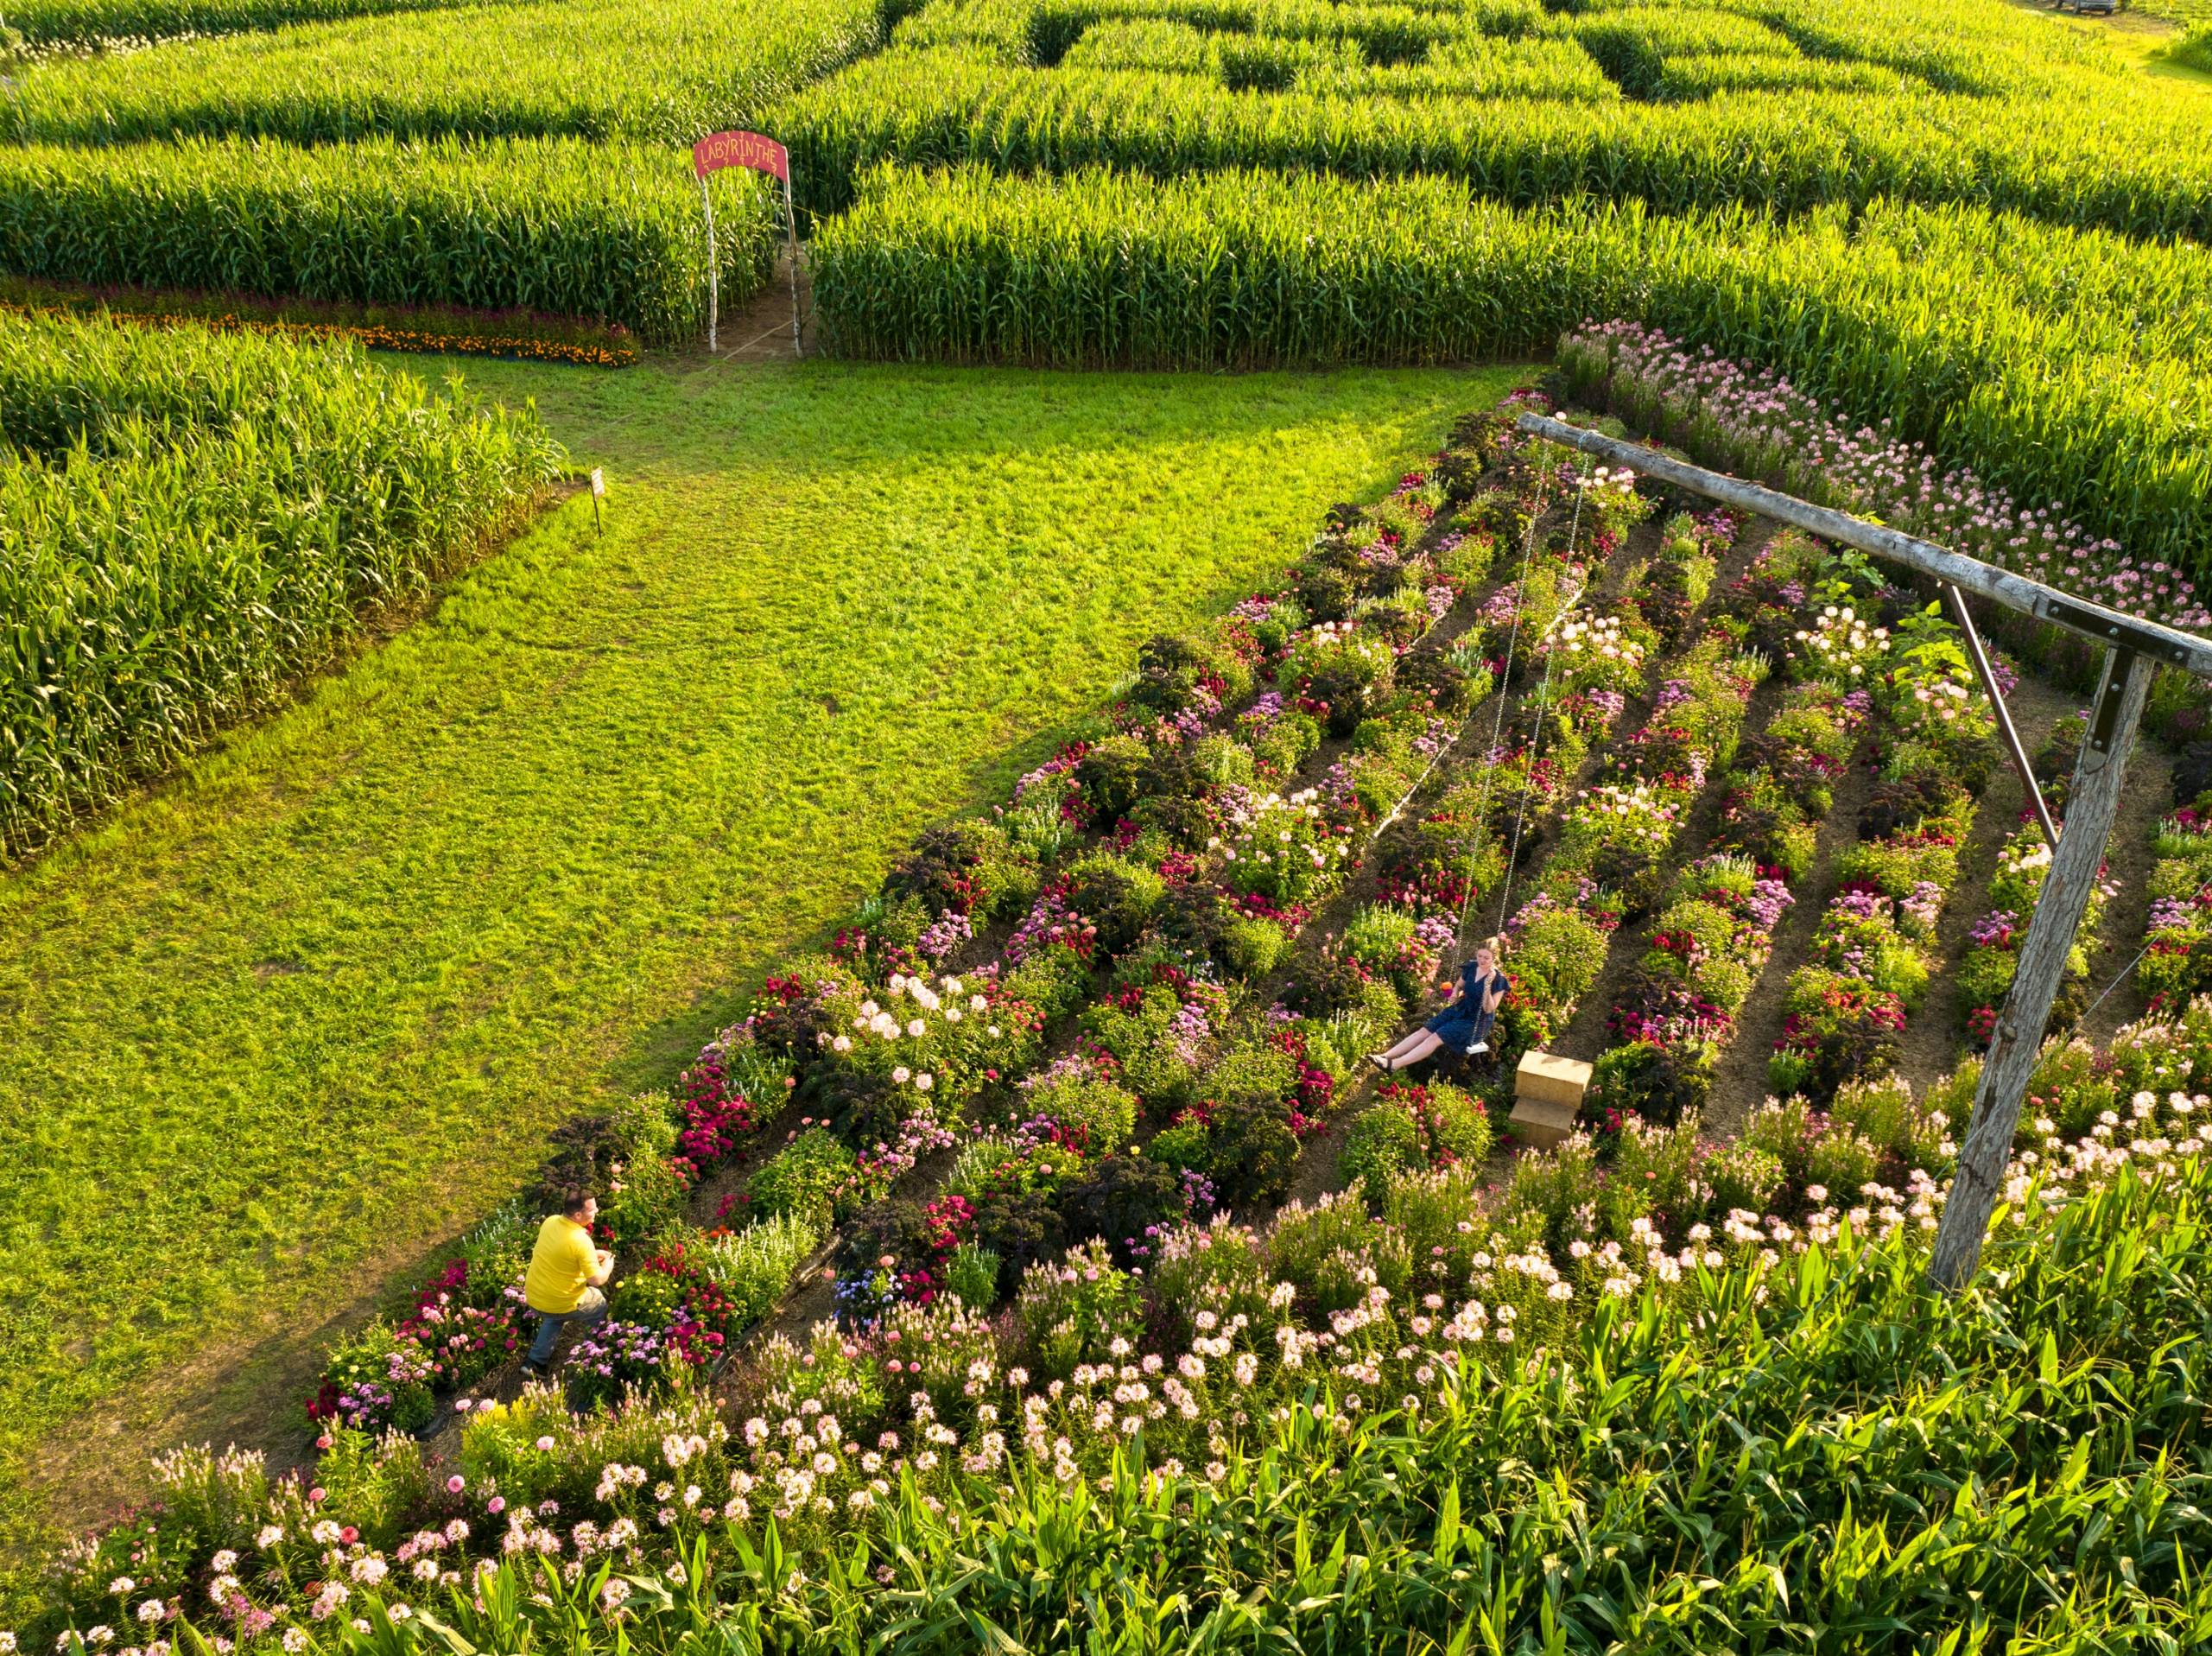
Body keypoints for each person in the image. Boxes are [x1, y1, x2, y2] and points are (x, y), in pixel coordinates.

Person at [1369, 937, 1511, 1073]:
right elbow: (1459, 985)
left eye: (1486, 958)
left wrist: (1487, 986)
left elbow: (1488, 1009)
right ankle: (1385, 1057)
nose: (1482, 960)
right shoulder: (1472, 967)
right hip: (1460, 1009)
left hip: (1475, 1021)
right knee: (1424, 1031)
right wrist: (1454, 993)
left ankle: (1394, 1065)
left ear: (1494, 958)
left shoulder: (1498, 979)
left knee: (1435, 1037)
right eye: (1480, 956)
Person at [521, 1189, 613, 1375]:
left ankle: (535, 1363)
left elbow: (562, 1254)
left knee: (554, 1316)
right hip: (559, 1301)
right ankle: (593, 1354)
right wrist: (608, 1264)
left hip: (535, 1297)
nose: (597, 1211)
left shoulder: (551, 1221)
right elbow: (597, 1280)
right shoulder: (581, 1241)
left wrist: (591, 1255)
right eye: (592, 1209)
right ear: (578, 1215)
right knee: (598, 1303)